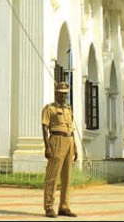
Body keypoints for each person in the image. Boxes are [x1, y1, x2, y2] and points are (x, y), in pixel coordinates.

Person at [41, 81, 78, 218]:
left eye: (66, 94)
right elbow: (45, 127)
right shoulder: (49, 109)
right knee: (52, 176)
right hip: (56, 140)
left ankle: (64, 206)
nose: (64, 97)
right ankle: (49, 206)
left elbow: (71, 129)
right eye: (61, 94)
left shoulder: (68, 109)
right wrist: (47, 146)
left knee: (67, 177)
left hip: (69, 141)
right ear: (56, 93)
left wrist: (75, 147)